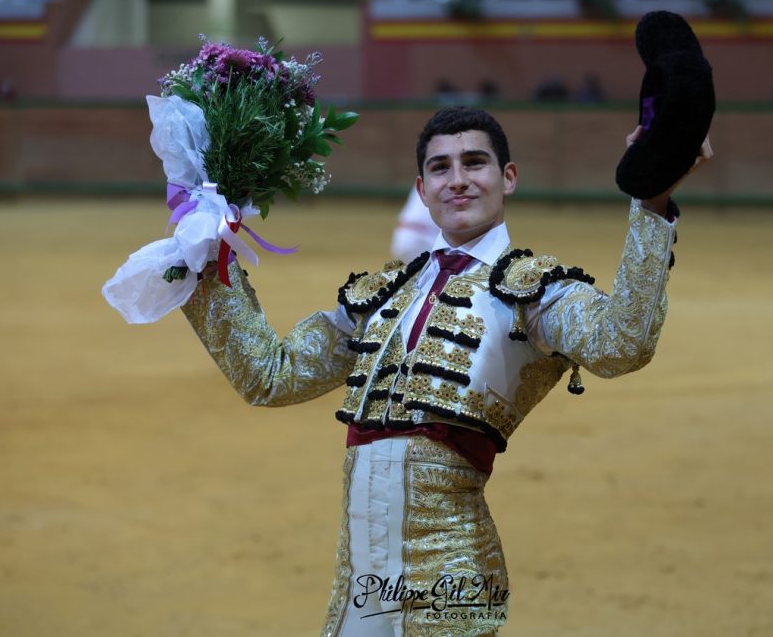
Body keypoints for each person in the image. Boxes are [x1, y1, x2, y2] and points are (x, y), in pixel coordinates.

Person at [181, 106, 711, 635]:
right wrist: (205, 259)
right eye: (441, 168)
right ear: (422, 187)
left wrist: (651, 203)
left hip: (452, 571)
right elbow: (270, 375)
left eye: (474, 163)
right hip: (360, 576)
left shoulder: (535, 291)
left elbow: (622, 343)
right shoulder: (381, 294)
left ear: (508, 178)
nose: (457, 180)